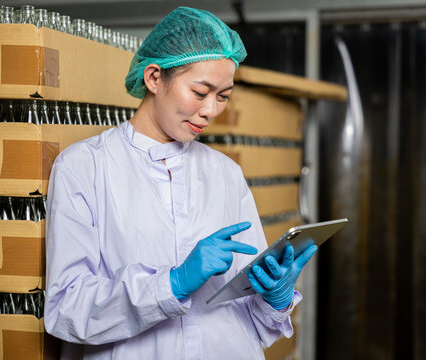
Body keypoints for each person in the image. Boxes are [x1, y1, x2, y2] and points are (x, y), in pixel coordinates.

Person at [44, 6, 317, 359]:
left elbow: (252, 323)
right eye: (200, 92)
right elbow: (67, 309)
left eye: (223, 96)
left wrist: (273, 299)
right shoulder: (85, 167)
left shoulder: (224, 173)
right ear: (154, 78)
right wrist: (171, 283)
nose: (211, 111)